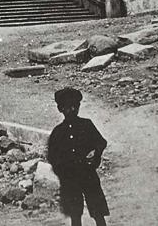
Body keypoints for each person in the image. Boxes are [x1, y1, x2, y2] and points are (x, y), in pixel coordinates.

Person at [47, 87, 110, 226]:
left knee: (98, 210)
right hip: (70, 179)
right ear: (60, 109)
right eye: (68, 107)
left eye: (75, 106)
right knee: (75, 214)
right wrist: (63, 173)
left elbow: (101, 142)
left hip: (88, 174)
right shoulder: (58, 132)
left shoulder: (86, 125)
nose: (72, 110)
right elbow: (52, 156)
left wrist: (95, 153)